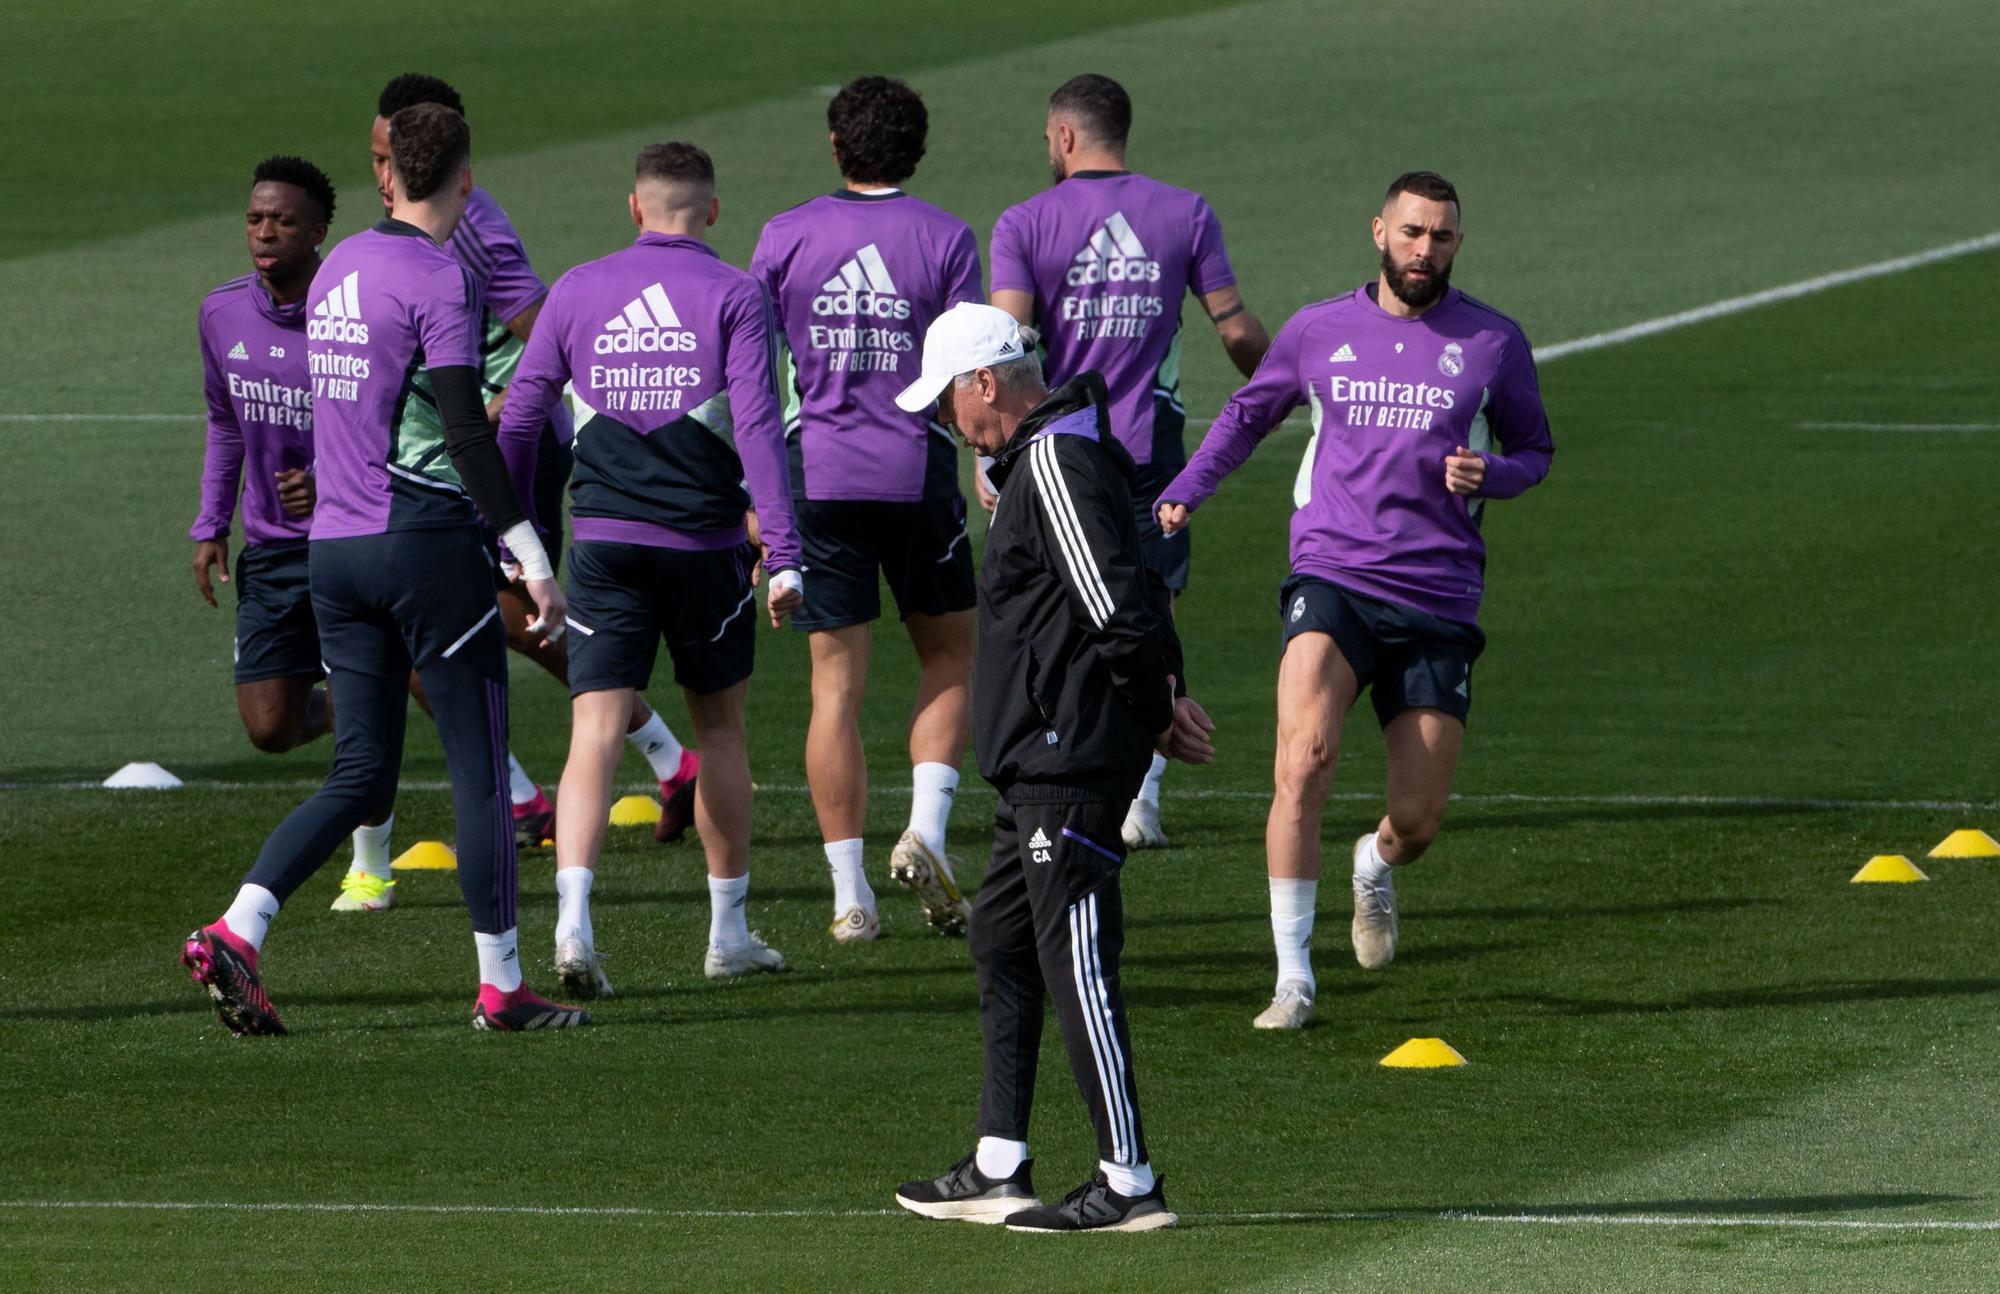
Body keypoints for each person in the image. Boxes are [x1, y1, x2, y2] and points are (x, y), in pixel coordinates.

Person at [179, 104, 586, 1033]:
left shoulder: (342, 270)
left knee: (361, 775)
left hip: (333, 552)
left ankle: (238, 929)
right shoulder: (440, 277)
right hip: (423, 544)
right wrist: (529, 557)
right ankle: (502, 990)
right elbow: (464, 431)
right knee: (480, 771)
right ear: (466, 182)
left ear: (386, 177)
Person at [1158, 171, 1554, 1030]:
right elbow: (1245, 416)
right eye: (1412, 233)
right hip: (1333, 575)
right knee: (1301, 760)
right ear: (1379, 230)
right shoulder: (1318, 328)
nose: (1425, 251)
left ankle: (1371, 866)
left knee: (1418, 821)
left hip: (1439, 595)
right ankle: (1293, 978)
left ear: (1458, 244)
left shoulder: (1492, 342)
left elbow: (1537, 449)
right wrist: (1187, 488)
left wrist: (1497, 473)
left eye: (1442, 237)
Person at [890, 304, 1214, 1233]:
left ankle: (1129, 1181)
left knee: (1078, 965)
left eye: (950, 400)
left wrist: (1155, 713)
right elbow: (1142, 578)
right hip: (1035, 764)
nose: (948, 421)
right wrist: (1166, 688)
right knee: (999, 939)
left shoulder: (1056, 464)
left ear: (985, 384)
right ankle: (1000, 1163)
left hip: (1066, 762)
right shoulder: (1057, 453)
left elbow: (1116, 604)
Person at [501, 142, 801, 996]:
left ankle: (570, 924)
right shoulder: (737, 294)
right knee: (720, 732)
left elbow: (519, 423)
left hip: (600, 547)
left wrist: (513, 536)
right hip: (706, 552)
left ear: (633, 208)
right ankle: (727, 933)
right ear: (712, 211)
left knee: (593, 732)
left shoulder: (577, 289)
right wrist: (783, 551)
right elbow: (759, 431)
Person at [370, 74, 700, 849]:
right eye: (376, 159)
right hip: (435, 460)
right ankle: (591, 777)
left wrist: (502, 403)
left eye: (389, 158)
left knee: (508, 621)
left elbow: (551, 328)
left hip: (503, 454)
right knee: (454, 626)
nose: (381, 176)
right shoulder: (408, 225)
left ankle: (631, 767)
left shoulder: (473, 227)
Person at [988, 72, 1268, 853]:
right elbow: (1236, 331)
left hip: (1056, 451)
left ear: (1066, 136)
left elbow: (1008, 346)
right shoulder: (1185, 213)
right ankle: (1144, 791)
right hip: (1152, 448)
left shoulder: (1025, 222)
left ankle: (1065, 757)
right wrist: (1293, 385)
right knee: (1150, 604)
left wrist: (989, 460)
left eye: (1049, 138)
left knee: (1060, 605)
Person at [750, 76, 983, 943]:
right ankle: (924, 828)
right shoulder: (947, 238)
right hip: (916, 475)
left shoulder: (784, 236)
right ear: (916, 151)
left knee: (834, 690)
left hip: (818, 477)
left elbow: (750, 378)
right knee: (952, 657)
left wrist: (758, 501)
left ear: (837, 147)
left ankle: (851, 897)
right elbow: (968, 374)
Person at [191, 156, 409, 910]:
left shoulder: (350, 315)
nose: (264, 231)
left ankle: (371, 864)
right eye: (255, 218)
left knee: (361, 718)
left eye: (282, 220)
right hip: (272, 551)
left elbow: (394, 422)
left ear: (319, 232)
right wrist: (211, 520)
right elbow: (225, 422)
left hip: (350, 539)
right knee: (270, 726)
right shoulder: (222, 313)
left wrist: (329, 476)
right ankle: (366, 701)